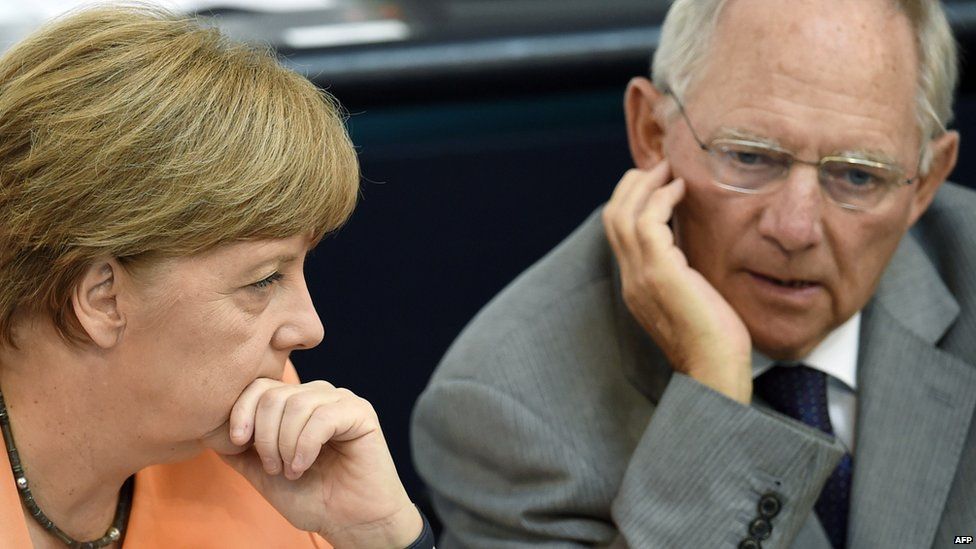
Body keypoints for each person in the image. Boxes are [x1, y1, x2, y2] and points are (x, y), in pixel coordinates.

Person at [412, 0, 976, 547]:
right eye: (751, 157)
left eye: (857, 175)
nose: (795, 228)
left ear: (925, 181)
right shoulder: (508, 410)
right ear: (652, 134)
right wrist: (715, 397)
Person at [0, 6, 436, 549]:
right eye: (264, 280)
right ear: (102, 298)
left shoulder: (272, 439)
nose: (309, 329)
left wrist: (380, 536)